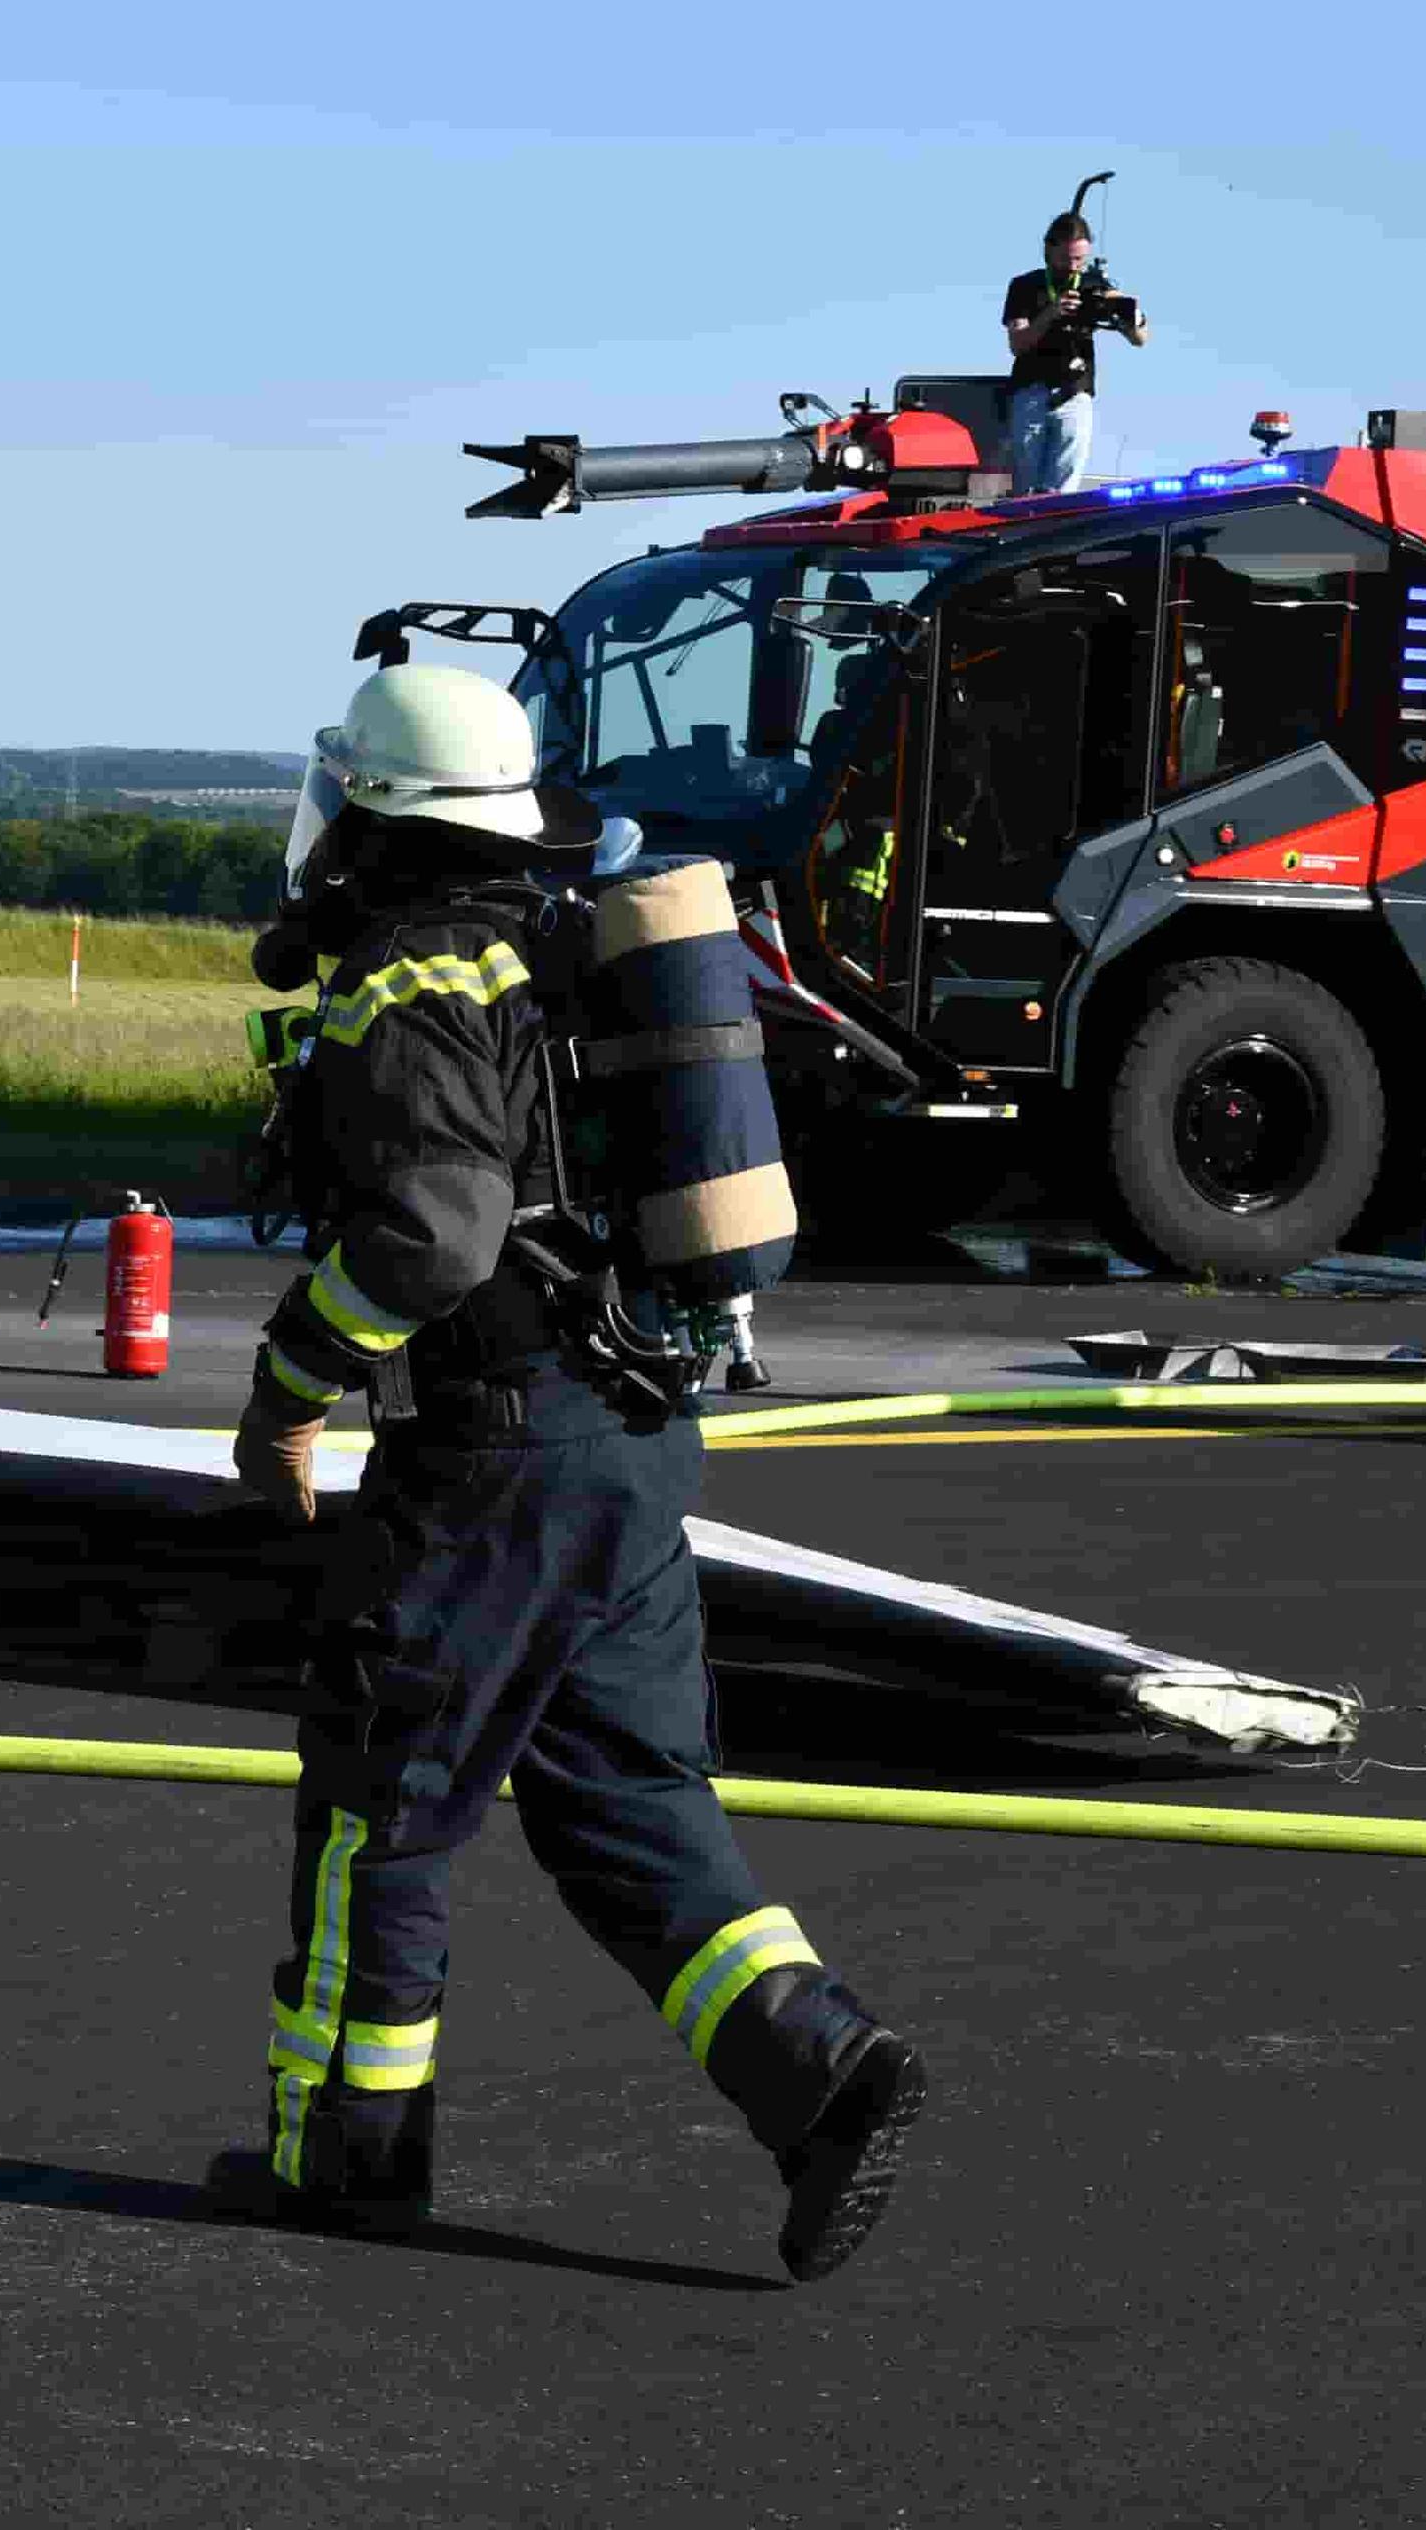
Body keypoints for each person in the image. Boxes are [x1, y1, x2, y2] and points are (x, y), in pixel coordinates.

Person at [213, 659, 925, 2282]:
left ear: (376, 813)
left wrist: (289, 1387)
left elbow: (436, 1235)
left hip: (493, 1459)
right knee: (634, 1816)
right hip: (632, 1448)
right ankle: (819, 2066)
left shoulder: (406, 982)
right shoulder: (560, 951)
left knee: (378, 1822)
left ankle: (344, 2162)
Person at [1000, 212, 1149, 494]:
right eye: (1066, 259)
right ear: (1048, 250)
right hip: (1031, 393)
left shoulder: (1095, 286)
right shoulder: (1025, 287)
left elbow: (1140, 338)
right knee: (1026, 487)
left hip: (1075, 391)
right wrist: (1051, 314)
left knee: (1063, 489)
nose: (1072, 267)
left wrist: (1128, 316)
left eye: (1079, 260)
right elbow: (1017, 343)